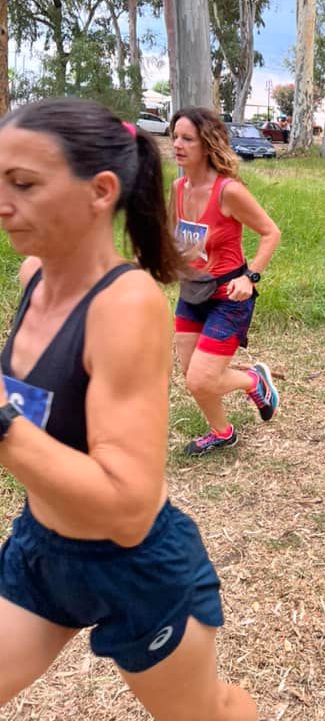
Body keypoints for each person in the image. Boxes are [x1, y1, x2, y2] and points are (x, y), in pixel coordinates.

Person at [0, 98, 257, 721]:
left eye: (24, 184)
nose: (4, 202)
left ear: (101, 191)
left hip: (135, 570)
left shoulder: (127, 303)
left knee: (207, 715)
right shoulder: (33, 275)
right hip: (40, 552)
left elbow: (128, 504)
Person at [171, 107, 281, 457]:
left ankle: (254, 380)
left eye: (187, 138)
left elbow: (270, 233)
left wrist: (251, 277)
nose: (177, 144)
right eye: (174, 136)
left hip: (229, 295)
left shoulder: (228, 191)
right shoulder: (178, 188)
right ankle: (223, 432)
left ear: (207, 145)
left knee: (201, 379)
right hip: (193, 291)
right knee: (193, 378)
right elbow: (188, 241)